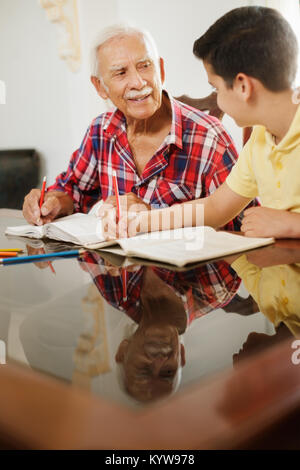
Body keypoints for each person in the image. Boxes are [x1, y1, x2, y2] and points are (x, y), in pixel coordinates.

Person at [22, 23, 248, 232]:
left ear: (161, 70)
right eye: (121, 72)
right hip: (117, 271)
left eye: (145, 66)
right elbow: (74, 191)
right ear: (100, 86)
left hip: (189, 274)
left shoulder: (210, 137)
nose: (138, 83)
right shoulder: (100, 131)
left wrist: (151, 215)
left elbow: (243, 226)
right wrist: (51, 202)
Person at [103, 7, 300, 240]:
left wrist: (292, 224)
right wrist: (139, 221)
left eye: (215, 88)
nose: (215, 98)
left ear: (243, 87)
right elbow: (215, 208)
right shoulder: (260, 138)